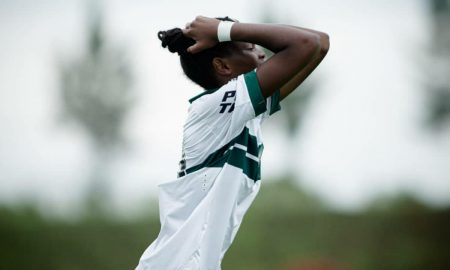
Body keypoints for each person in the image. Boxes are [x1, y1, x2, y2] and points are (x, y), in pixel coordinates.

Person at [136, 15, 329, 270]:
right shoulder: (218, 105)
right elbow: (305, 43)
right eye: (250, 48)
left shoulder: (241, 111)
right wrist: (224, 30)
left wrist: (226, 31)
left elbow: (320, 43)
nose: (262, 54)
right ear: (223, 67)